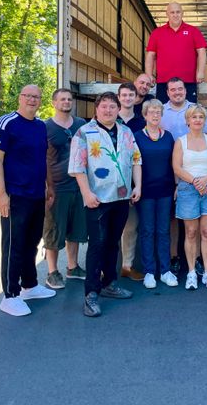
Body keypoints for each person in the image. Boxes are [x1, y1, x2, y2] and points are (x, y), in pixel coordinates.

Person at [69, 91, 142, 317]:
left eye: (113, 106)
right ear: (96, 109)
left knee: (112, 243)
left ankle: (109, 283)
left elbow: (136, 160)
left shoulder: (126, 132)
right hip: (97, 199)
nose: (108, 110)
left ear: (119, 109)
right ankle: (91, 293)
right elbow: (77, 167)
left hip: (121, 197)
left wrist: (137, 186)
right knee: (97, 245)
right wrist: (86, 193)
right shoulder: (84, 133)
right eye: (104, 106)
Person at [0, 84, 55, 317]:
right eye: (28, 96)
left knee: (31, 243)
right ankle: (10, 296)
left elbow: (43, 159)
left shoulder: (40, 126)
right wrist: (1, 194)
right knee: (13, 246)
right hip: (15, 196)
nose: (32, 100)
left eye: (37, 97)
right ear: (20, 98)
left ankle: (29, 285)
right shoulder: (7, 123)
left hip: (36, 194)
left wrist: (49, 186)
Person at [160, 76, 207, 276]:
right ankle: (174, 257)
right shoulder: (161, 112)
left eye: (180, 89)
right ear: (167, 92)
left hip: (196, 171)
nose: (177, 92)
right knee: (174, 217)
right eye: (172, 89)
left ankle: (198, 258)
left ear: (185, 90)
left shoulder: (197, 109)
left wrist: (203, 175)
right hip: (170, 169)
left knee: (197, 219)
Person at [172, 104, 207, 290]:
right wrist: (195, 182)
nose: (198, 120)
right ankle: (191, 272)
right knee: (191, 232)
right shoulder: (180, 142)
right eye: (194, 117)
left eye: (201, 117)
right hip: (188, 188)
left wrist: (205, 180)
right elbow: (177, 167)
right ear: (188, 121)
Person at [43, 88, 87, 290]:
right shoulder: (46, 128)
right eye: (62, 99)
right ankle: (52, 272)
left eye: (69, 99)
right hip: (56, 188)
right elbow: (40, 160)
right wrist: (46, 186)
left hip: (78, 186)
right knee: (54, 231)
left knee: (76, 230)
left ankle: (73, 267)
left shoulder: (81, 125)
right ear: (54, 103)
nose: (67, 102)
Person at [134, 99, 178, 289]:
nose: (154, 115)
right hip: (145, 192)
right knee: (147, 231)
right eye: (151, 112)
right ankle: (149, 272)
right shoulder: (136, 136)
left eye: (158, 112)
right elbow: (134, 163)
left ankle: (165, 270)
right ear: (144, 115)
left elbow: (174, 163)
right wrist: (136, 187)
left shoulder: (168, 136)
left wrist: (177, 185)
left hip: (166, 190)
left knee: (163, 230)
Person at [145, 1, 207, 104]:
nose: (175, 15)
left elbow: (202, 52)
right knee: (163, 112)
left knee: (189, 112)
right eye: (172, 12)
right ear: (167, 14)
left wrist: (200, 72)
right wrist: (149, 74)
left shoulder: (193, 31)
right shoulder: (157, 33)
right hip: (164, 81)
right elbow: (150, 55)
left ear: (182, 13)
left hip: (188, 81)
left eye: (178, 12)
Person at [118, 82, 145, 282]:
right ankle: (106, 268)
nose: (128, 98)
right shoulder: (109, 118)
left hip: (135, 179)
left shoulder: (142, 121)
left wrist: (137, 184)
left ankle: (127, 265)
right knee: (109, 228)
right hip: (112, 182)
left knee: (131, 226)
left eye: (131, 95)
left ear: (136, 98)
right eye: (124, 95)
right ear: (119, 97)